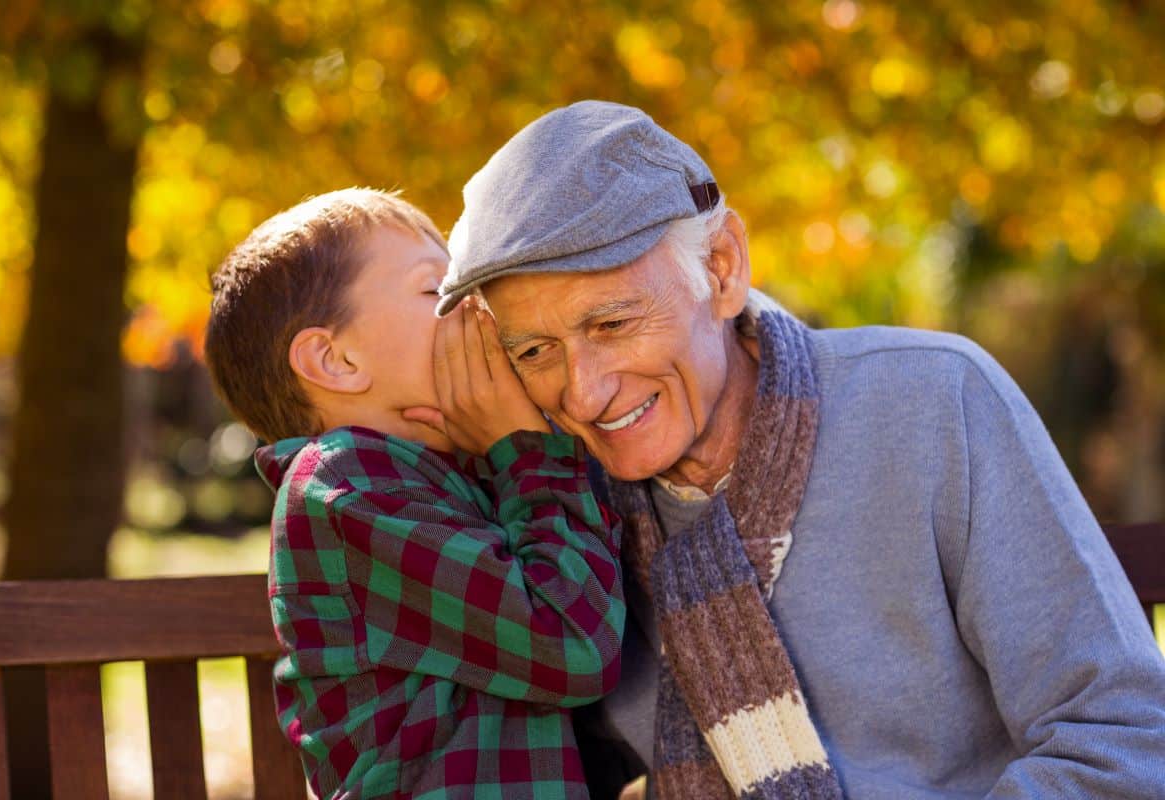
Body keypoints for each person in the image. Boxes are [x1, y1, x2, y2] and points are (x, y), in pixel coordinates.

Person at [435, 101, 1165, 799]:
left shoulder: (932, 403)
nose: (584, 393)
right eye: (535, 351)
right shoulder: (563, 518)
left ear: (721, 268)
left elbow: (1120, 737)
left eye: (613, 325)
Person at [203, 187, 625, 800]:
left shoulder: (458, 472)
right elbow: (574, 644)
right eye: (437, 289)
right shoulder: (343, 487)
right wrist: (527, 448)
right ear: (337, 360)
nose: (474, 303)